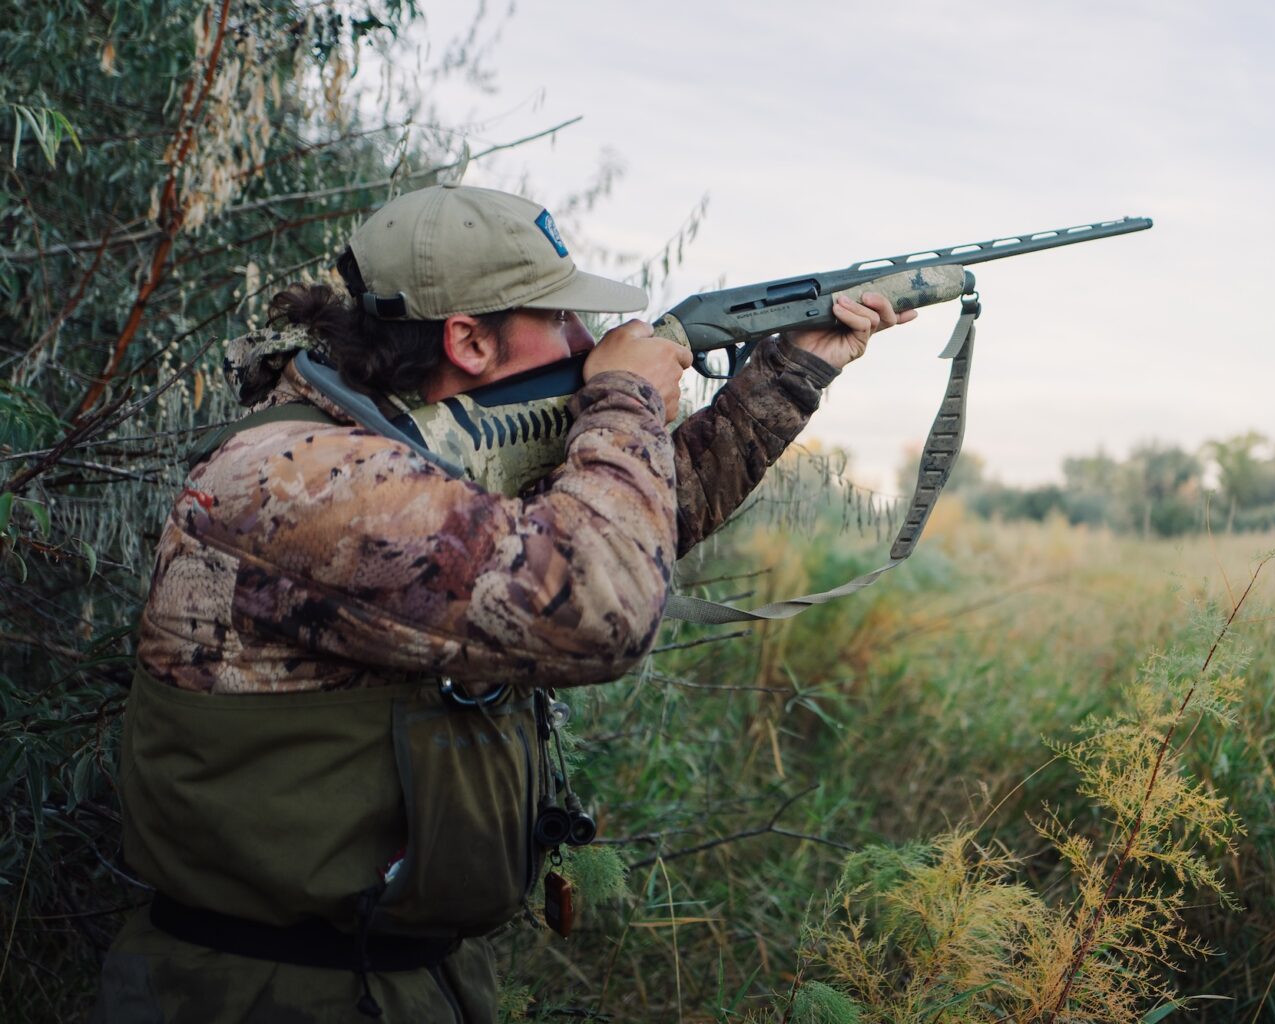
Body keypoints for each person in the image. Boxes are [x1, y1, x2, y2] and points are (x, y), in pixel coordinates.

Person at [91, 183, 914, 1023]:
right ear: (469, 342)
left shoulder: (392, 451)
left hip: (390, 981)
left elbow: (633, 530)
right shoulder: (303, 480)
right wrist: (622, 398)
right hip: (263, 994)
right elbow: (601, 604)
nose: (589, 342)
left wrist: (793, 366)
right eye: (558, 319)